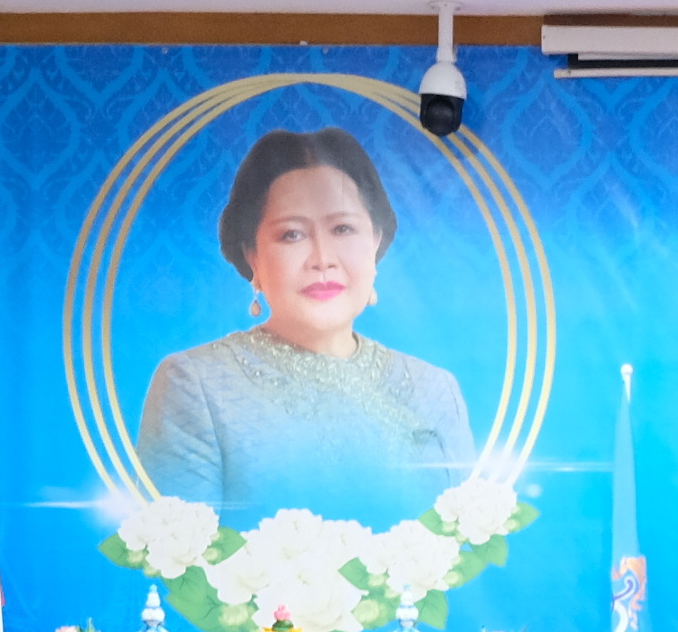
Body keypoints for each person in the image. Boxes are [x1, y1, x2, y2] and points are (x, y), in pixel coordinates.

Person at [136, 126, 476, 533]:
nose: (322, 259)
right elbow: (175, 568)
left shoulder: (434, 389)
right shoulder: (195, 385)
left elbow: (463, 563)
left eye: (343, 229)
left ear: (376, 242)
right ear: (253, 256)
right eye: (292, 234)